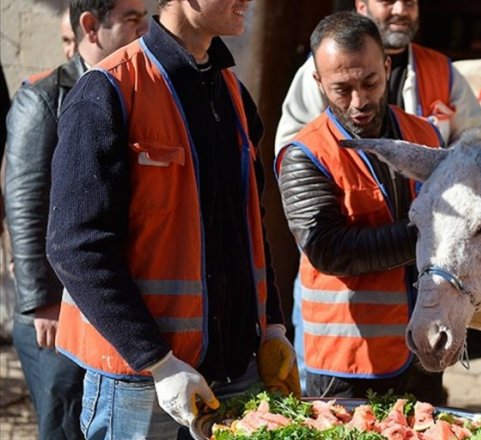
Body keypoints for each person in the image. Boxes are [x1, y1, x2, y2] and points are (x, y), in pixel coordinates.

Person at [46, 0, 298, 437]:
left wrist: (272, 325)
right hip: (139, 383)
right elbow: (75, 248)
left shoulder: (233, 93)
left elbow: (249, 227)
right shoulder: (107, 91)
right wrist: (158, 362)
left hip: (235, 371)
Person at [276, 11, 446, 403]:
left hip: (424, 348)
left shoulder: (425, 135)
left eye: (370, 82)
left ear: (386, 66)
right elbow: (329, 249)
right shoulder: (305, 154)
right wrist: (431, 233)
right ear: (318, 82)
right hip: (348, 361)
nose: (359, 102)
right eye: (341, 89)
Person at [5, 1, 147, 438]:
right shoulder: (45, 96)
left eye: (146, 17)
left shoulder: (136, 88)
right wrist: (42, 301)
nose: (145, 29)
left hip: (106, 301)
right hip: (55, 312)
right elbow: (26, 202)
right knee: (64, 423)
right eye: (132, 19)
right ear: (91, 27)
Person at [274, 0, 481, 153]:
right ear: (362, 6)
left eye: (409, 2)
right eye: (388, 1)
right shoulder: (326, 67)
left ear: (386, 68)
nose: (401, 10)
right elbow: (295, 146)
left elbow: (473, 137)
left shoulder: (441, 68)